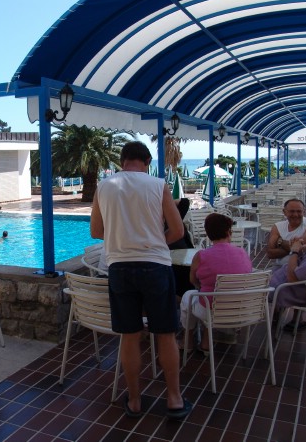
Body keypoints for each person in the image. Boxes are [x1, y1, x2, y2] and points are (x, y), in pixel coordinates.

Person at [90, 141, 192, 420]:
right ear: (147, 162)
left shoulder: (104, 186)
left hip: (120, 268)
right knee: (166, 333)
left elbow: (96, 231)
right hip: (155, 266)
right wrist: (154, 243)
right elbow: (177, 230)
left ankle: (134, 400)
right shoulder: (158, 185)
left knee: (130, 336)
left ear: (122, 161)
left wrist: (122, 238)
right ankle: (174, 398)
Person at [180, 213, 253, 353]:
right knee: (209, 295)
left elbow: (193, 280)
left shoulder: (201, 255)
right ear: (228, 232)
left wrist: (202, 286)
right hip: (241, 309)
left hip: (213, 310)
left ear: (208, 233)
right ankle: (206, 343)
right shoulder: (242, 252)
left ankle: (187, 342)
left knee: (189, 296)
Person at [267, 199, 306, 266]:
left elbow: (303, 248)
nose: (295, 215)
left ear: (304, 212)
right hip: (279, 267)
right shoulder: (277, 226)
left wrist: (280, 242)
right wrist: (295, 248)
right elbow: (270, 254)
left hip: (301, 268)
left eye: (299, 211)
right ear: (284, 212)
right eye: (292, 211)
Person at [168, 198, 195, 298]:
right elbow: (184, 202)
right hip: (175, 255)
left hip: (182, 253)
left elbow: (185, 201)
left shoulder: (173, 217)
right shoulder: (174, 217)